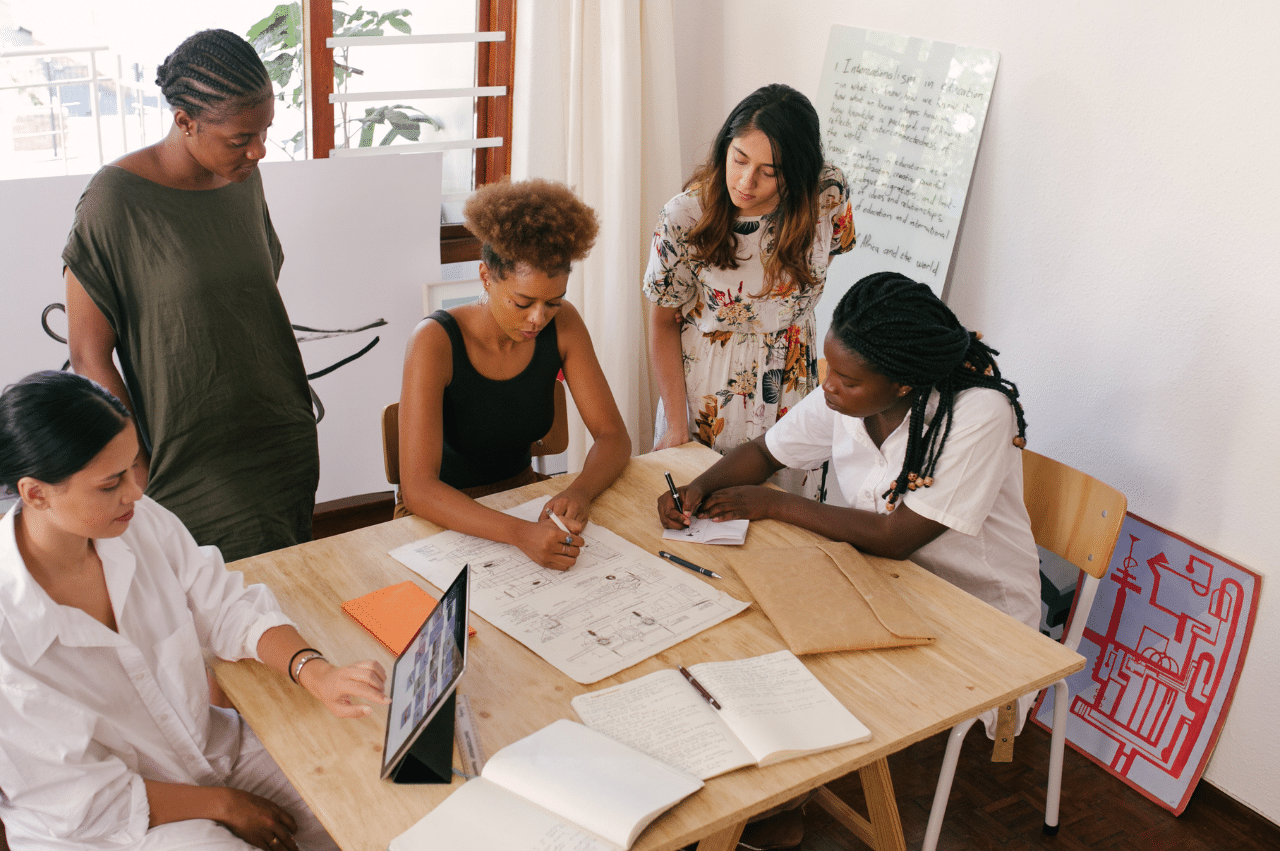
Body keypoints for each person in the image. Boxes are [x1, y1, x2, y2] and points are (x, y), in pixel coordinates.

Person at [0, 370, 390, 851]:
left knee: (368, 798)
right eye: (111, 483)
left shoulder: (134, 523)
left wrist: (315, 672)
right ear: (35, 493)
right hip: (104, 826)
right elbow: (80, 799)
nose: (136, 492)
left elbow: (225, 606)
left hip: (207, 752)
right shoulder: (7, 631)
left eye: (134, 467)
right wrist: (225, 806)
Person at [659, 271, 1041, 710]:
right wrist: (699, 486)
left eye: (848, 380)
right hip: (886, 586)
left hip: (978, 615)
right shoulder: (849, 396)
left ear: (902, 384)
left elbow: (896, 537)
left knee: (823, 691)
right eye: (830, 368)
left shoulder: (978, 413)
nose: (828, 385)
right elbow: (767, 452)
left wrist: (774, 503)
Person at [63, 29, 318, 563]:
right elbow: (89, 355)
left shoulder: (243, 176)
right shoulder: (114, 202)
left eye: (265, 131)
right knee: (212, 610)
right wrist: (133, 464)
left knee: (288, 591)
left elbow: (249, 295)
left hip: (279, 433)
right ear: (185, 121)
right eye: (239, 138)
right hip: (188, 456)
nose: (258, 149)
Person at [397, 179, 631, 570]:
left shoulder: (564, 325)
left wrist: (580, 492)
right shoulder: (434, 341)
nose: (538, 318)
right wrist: (520, 534)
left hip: (522, 502)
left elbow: (613, 436)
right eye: (523, 303)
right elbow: (419, 490)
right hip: (442, 518)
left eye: (552, 303)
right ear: (487, 277)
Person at [644, 83, 856, 473]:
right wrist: (677, 425)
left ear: (796, 172)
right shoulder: (684, 216)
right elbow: (660, 324)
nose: (745, 181)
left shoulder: (827, 194)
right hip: (709, 391)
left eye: (768, 172)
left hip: (794, 384)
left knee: (786, 522)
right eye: (738, 159)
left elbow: (819, 267)